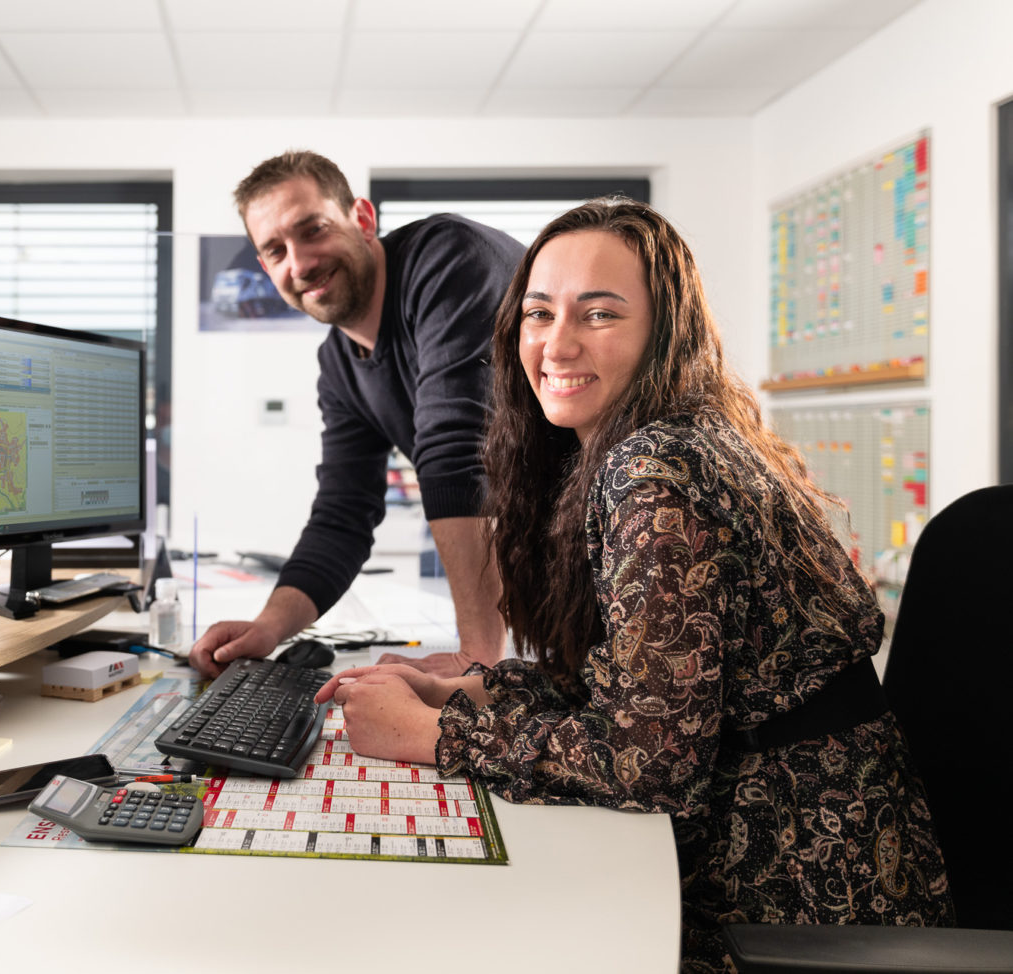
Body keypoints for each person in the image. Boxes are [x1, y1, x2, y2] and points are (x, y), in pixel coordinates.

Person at [316, 198, 953, 971]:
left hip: (796, 899)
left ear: (664, 333)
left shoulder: (654, 473)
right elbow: (641, 686)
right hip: (823, 848)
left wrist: (429, 733)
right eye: (538, 313)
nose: (557, 343)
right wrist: (470, 692)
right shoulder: (667, 440)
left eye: (601, 314)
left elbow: (650, 762)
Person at [189, 150, 524, 678]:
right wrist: (269, 627)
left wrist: (477, 655)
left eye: (313, 229)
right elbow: (344, 512)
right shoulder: (339, 364)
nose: (299, 263)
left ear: (362, 219)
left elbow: (457, 448)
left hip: (638, 534)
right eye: (276, 250)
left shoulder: (447, 259)